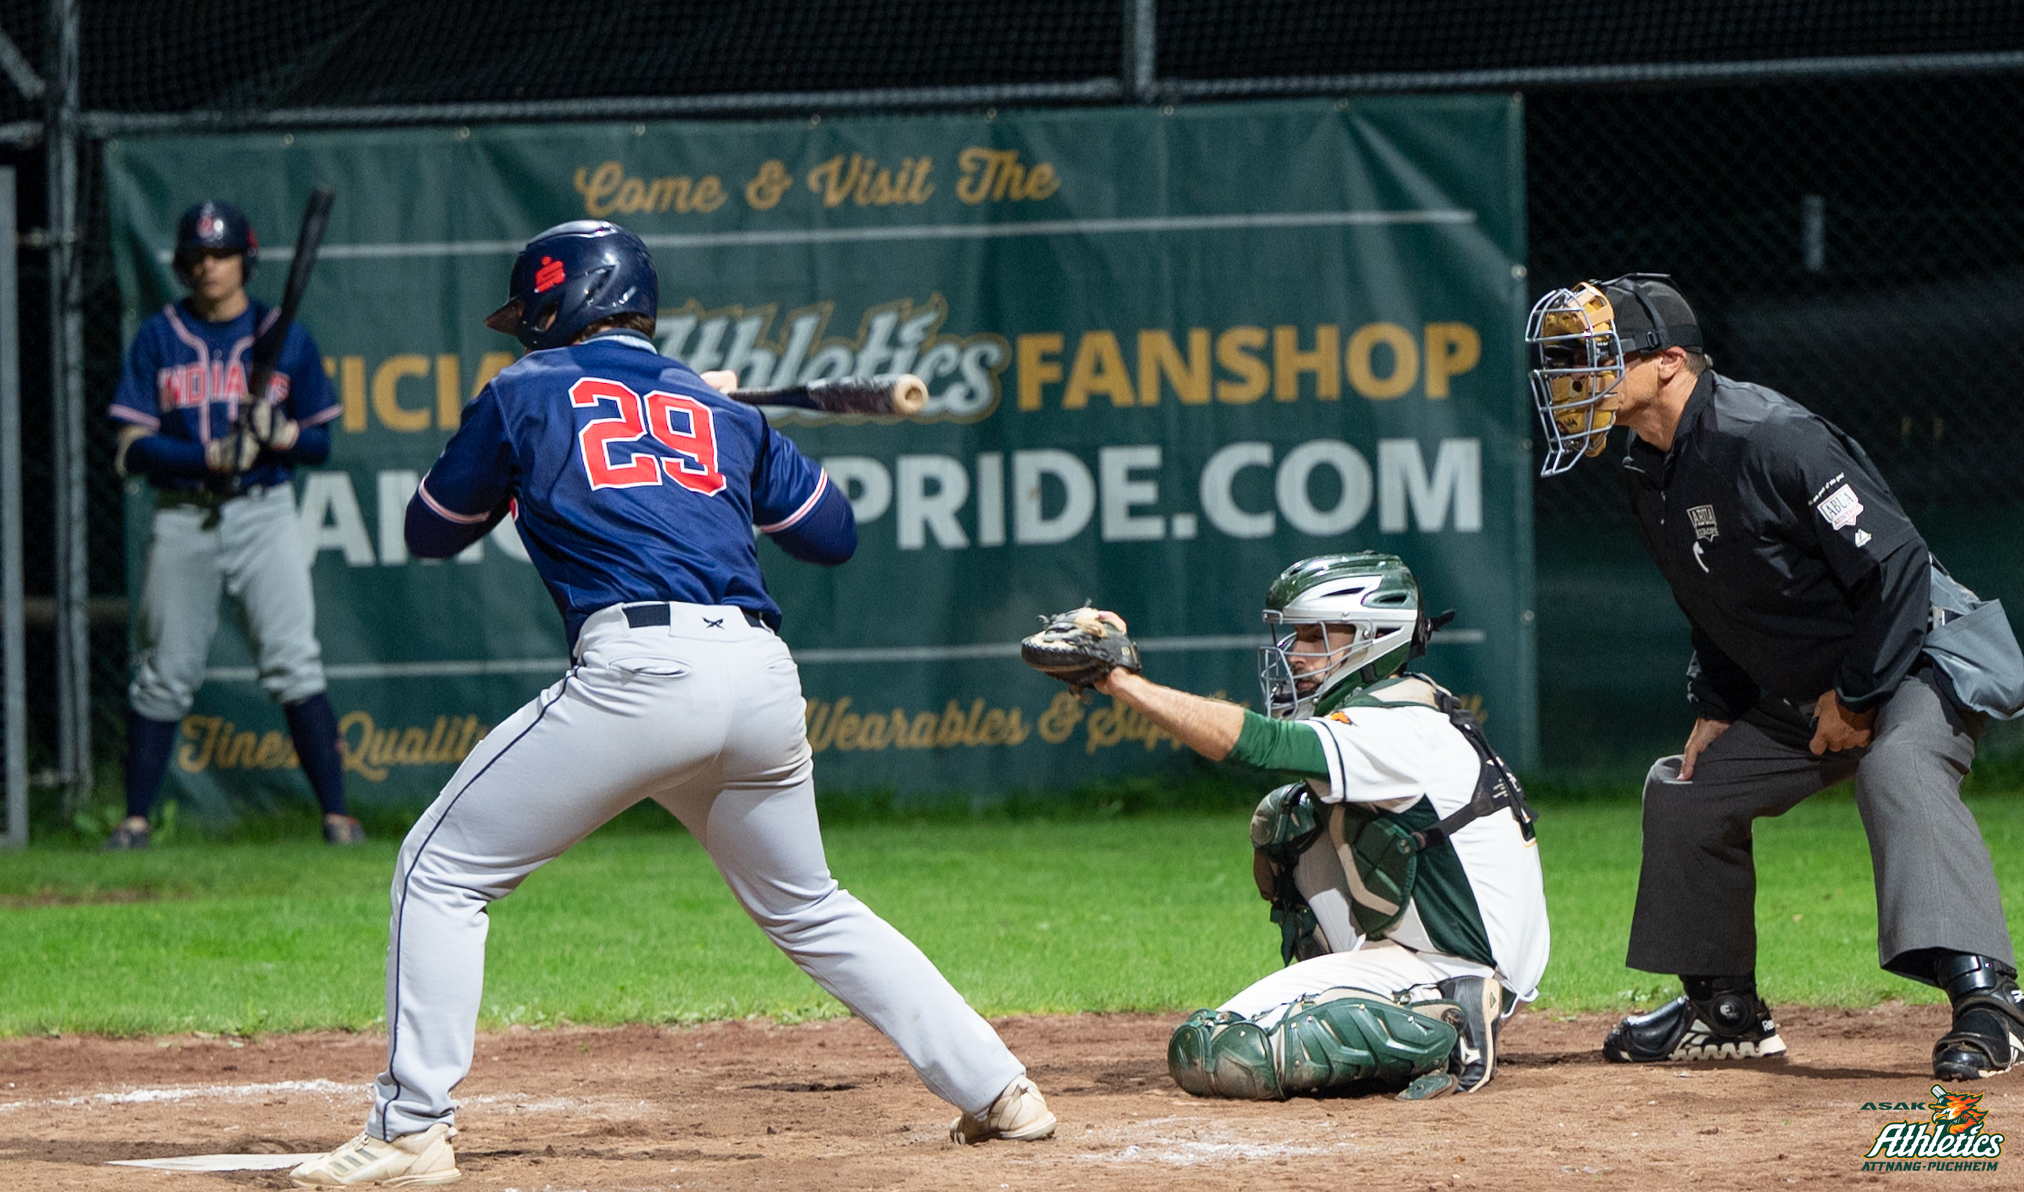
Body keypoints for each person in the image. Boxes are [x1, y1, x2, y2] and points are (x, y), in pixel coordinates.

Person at [289, 220, 1054, 1189]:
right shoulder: (716, 410)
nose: (523, 336)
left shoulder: (525, 392)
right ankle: (1001, 1091)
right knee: (811, 907)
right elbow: (831, 534)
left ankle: (409, 1132)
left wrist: (546, 459)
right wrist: (723, 436)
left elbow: (430, 528)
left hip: (641, 674)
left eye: (531, 316)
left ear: (565, 305)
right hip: (760, 681)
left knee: (437, 874)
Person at [1527, 273, 2024, 1079]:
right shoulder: (1645, 467)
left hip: (1917, 653)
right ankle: (1723, 1010)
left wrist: (1859, 697)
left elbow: (1894, 567)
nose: (1574, 382)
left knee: (1900, 764)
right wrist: (1716, 703)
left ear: (1669, 362)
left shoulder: (1770, 436)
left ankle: (1989, 1001)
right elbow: (1714, 593)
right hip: (1816, 685)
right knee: (1688, 787)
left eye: (1597, 358)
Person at [1040, 553, 1549, 1102]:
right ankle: (1375, 996)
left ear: (1372, 638)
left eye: (1314, 636)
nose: (1295, 653)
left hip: (1459, 962)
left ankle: (1451, 1022)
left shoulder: (1398, 728)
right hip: (1421, 951)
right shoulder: (1397, 709)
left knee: (1225, 1054)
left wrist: (1121, 680)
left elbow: (1259, 745)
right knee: (1287, 818)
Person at [104, 199, 357, 850]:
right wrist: (204, 455)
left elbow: (320, 445)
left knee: (293, 661)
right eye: (196, 255)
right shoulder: (160, 336)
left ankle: (337, 816)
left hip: (263, 510)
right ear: (183, 265)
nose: (208, 265)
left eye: (219, 253)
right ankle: (135, 819)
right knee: (164, 668)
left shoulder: (283, 334)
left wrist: (281, 432)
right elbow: (131, 448)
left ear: (245, 258)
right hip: (185, 513)